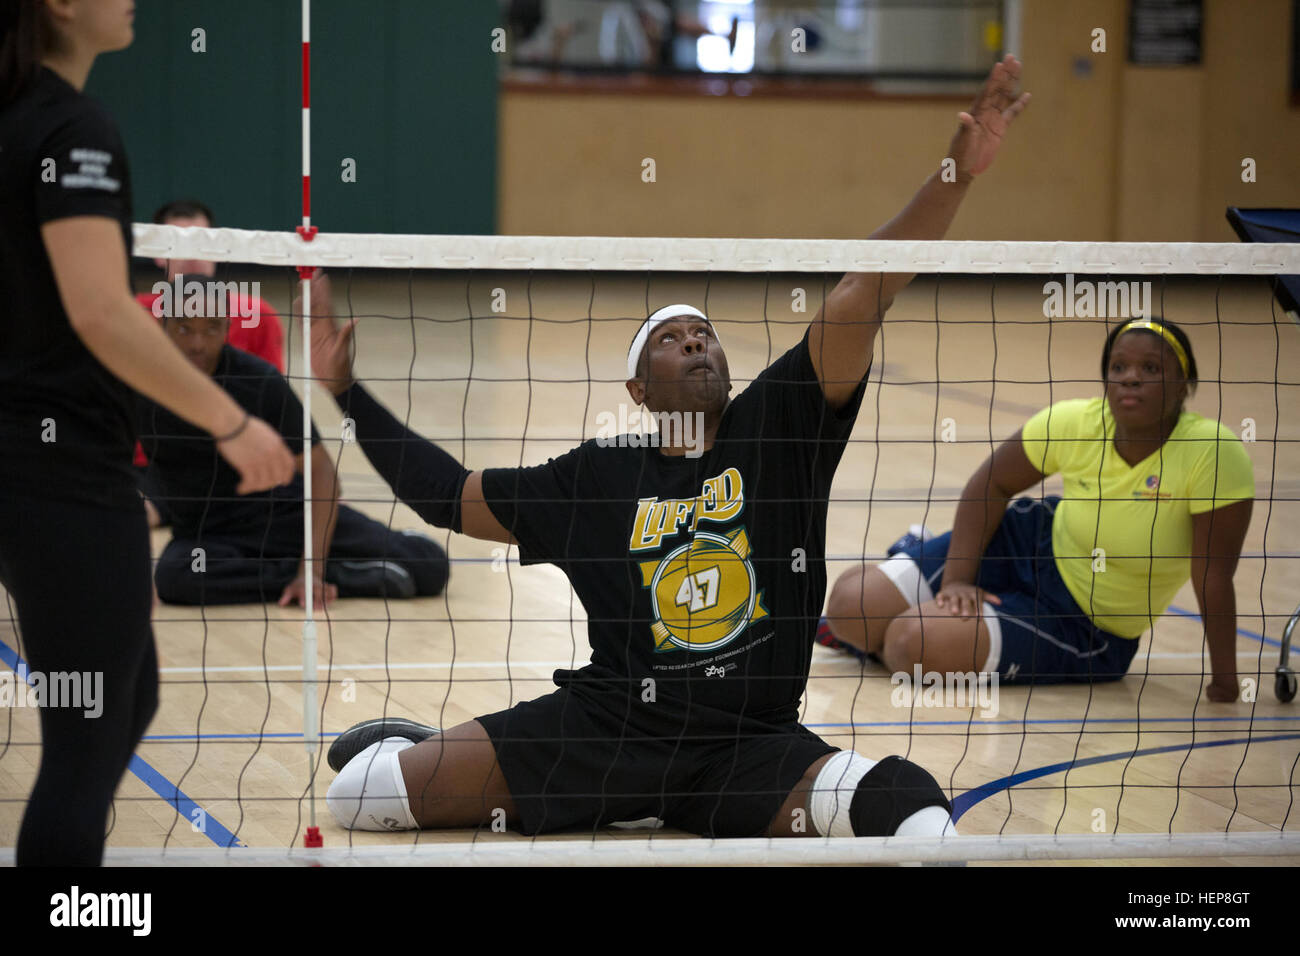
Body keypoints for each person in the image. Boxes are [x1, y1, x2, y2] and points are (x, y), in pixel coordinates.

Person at [317, 56, 1029, 838]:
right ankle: (417, 748)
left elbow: (865, 289)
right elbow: (447, 496)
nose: (695, 344)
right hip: (606, 733)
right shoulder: (597, 476)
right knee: (359, 796)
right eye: (670, 340)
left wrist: (956, 174)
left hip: (749, 750)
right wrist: (347, 392)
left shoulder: (778, 427)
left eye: (704, 335)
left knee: (913, 810)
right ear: (639, 391)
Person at [0, 0, 294, 865]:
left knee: (128, 702)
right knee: (88, 738)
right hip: (61, 475)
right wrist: (231, 421)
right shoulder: (70, 125)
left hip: (27, 458)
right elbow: (101, 310)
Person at [821, 317, 1254, 701]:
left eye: (1151, 369)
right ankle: (915, 579)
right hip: (1027, 543)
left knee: (909, 646)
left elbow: (1213, 574)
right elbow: (991, 482)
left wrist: (1225, 681)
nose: (1130, 378)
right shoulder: (1076, 421)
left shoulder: (1212, 452)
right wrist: (956, 580)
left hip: (1084, 625)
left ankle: (912, 577)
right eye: (1118, 367)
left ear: (1183, 384)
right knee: (849, 608)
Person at [137, 295, 450, 608]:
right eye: (183, 329)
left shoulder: (259, 381)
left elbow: (323, 473)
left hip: (288, 517)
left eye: (211, 329)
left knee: (429, 566)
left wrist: (310, 569)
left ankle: (317, 574)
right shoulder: (141, 385)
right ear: (163, 327)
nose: (197, 344)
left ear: (227, 328)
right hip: (208, 536)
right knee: (175, 578)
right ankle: (340, 575)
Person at [134, 198, 286, 528]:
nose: (191, 255)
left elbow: (273, 406)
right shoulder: (132, 315)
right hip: (153, 463)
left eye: (202, 243)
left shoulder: (257, 316)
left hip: (233, 459)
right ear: (158, 254)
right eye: (177, 243)